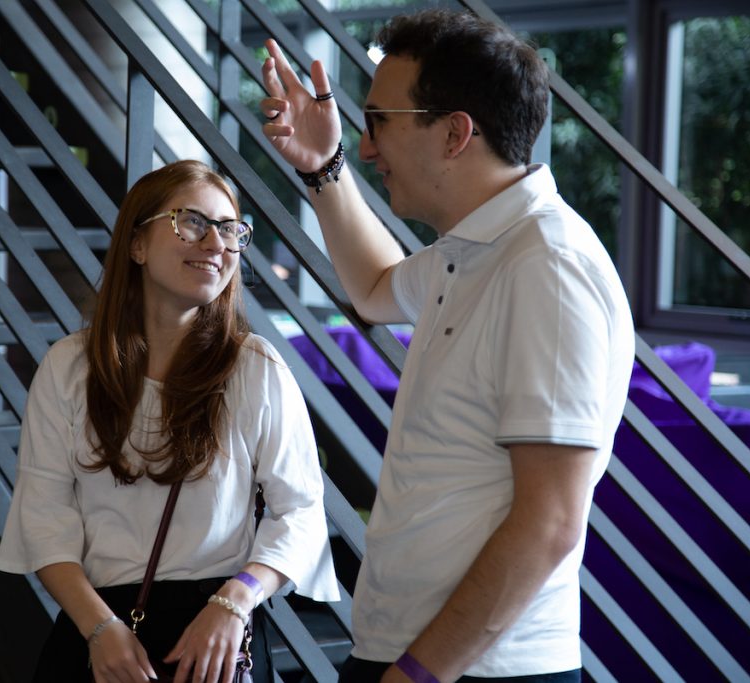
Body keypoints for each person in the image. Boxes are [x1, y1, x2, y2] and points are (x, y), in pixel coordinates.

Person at [260, 9, 634, 683]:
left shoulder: (545, 265)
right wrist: (324, 167)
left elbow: (549, 523)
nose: (368, 148)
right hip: (418, 654)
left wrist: (420, 673)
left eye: (379, 122)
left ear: (456, 132)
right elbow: (375, 287)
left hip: (473, 669)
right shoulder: (472, 249)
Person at [0, 160, 339, 683]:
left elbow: (302, 514)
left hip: (216, 635)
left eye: (229, 230)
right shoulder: (70, 367)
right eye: (192, 222)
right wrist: (98, 628)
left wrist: (233, 603)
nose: (216, 243)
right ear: (137, 245)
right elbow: (44, 521)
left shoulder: (255, 367)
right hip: (100, 634)